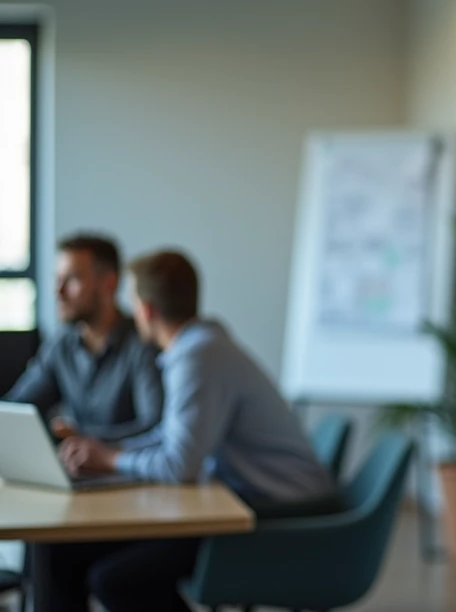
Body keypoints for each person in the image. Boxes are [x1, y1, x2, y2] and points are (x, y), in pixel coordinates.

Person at [35, 249, 336, 612]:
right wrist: (106, 449)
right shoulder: (200, 347)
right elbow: (169, 436)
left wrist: (112, 459)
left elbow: (179, 465)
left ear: (146, 310)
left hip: (276, 513)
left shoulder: (198, 357)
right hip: (248, 500)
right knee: (63, 555)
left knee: (114, 580)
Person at [5, 234, 162, 441]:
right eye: (57, 279)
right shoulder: (60, 345)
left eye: (72, 279)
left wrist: (83, 437)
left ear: (109, 283)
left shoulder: (142, 346)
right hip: (72, 468)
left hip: (125, 471)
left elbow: (153, 428)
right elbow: (17, 406)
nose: (58, 291)